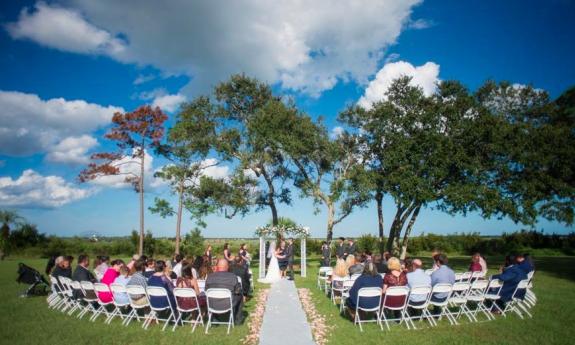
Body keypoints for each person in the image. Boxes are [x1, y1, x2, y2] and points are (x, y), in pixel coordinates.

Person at [206, 259, 244, 325]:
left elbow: (206, 290)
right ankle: (238, 320)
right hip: (228, 304)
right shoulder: (233, 277)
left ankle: (214, 319)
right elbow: (238, 291)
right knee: (240, 296)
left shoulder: (209, 277)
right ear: (227, 267)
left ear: (217, 266)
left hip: (212, 304)